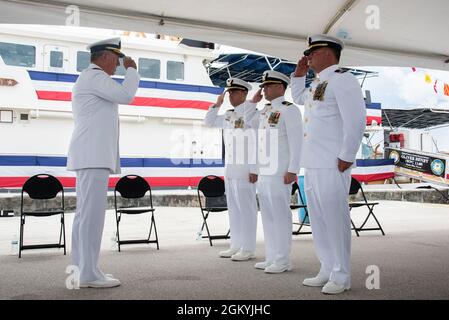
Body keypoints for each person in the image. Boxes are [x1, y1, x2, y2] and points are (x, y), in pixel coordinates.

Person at [291, 34, 366, 294]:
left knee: (335, 220)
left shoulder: (343, 79)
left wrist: (346, 155)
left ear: (328, 52)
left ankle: (341, 275)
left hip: (333, 163)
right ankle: (326, 267)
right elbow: (299, 98)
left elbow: (356, 120)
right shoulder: (316, 85)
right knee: (319, 220)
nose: (308, 57)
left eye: (313, 52)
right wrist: (299, 75)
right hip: (312, 163)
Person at [67, 37, 140, 288]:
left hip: (91, 156)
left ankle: (86, 269)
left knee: (85, 216)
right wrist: (132, 69)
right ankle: (87, 274)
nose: (118, 66)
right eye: (117, 60)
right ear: (106, 56)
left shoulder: (91, 78)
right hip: (93, 156)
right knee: (91, 216)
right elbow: (126, 95)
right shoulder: (95, 77)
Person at [204, 78, 261, 261]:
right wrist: (217, 104)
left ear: (244, 93)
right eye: (229, 93)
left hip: (246, 170)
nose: (231, 96)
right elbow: (209, 121)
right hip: (230, 170)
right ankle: (235, 245)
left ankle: (248, 248)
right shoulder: (229, 114)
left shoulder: (252, 113)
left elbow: (256, 143)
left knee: (247, 210)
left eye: (235, 92)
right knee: (234, 210)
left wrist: (254, 169)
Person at [252, 70, 303, 273]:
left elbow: (296, 142)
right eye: (263, 86)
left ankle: (282, 260)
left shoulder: (290, 110)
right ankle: (272, 256)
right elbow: (257, 138)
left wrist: (293, 169)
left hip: (280, 172)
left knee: (280, 216)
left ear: (281, 87)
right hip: (265, 172)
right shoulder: (264, 111)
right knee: (268, 216)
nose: (264, 90)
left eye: (268, 86)